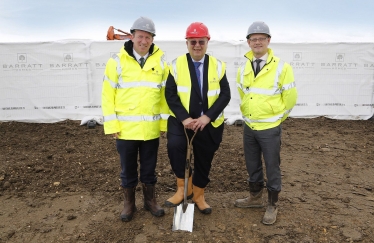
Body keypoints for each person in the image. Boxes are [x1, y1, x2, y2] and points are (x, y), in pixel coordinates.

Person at [101, 16, 169, 222]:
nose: (144, 41)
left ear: (152, 39)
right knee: (127, 169)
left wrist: (164, 123)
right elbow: (107, 95)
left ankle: (150, 201)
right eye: (140, 36)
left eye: (148, 37)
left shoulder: (161, 62)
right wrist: (112, 123)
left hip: (150, 129)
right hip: (125, 130)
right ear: (132, 37)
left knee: (149, 168)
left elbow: (165, 96)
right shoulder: (116, 61)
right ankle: (129, 204)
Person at [234, 21, 298, 225]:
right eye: (253, 39)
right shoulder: (243, 66)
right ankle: (254, 197)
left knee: (272, 166)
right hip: (250, 126)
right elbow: (243, 93)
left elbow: (290, 98)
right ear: (248, 42)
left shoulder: (282, 67)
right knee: (252, 164)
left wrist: (278, 118)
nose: (257, 42)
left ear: (268, 41)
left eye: (261, 38)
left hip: (270, 127)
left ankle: (273, 203)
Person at [165, 22, 231, 214]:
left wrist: (207, 117)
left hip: (208, 123)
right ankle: (183, 188)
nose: (197, 45)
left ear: (207, 42)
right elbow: (170, 94)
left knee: (204, 157)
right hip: (181, 121)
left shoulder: (218, 66)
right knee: (175, 148)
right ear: (187, 43)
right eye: (192, 42)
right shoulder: (176, 65)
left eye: (201, 41)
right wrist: (185, 118)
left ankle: (199, 195)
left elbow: (225, 95)